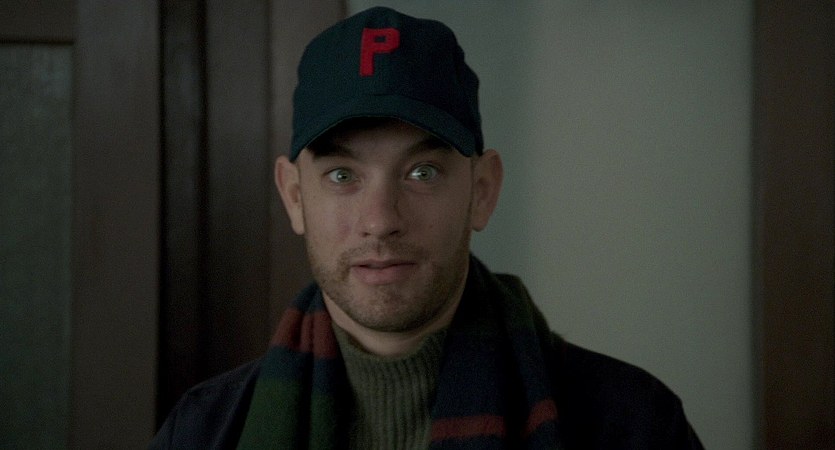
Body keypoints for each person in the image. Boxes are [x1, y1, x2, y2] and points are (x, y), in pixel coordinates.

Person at [151, 6, 704, 449]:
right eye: (342, 175)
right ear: (295, 197)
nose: (380, 220)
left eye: (422, 172)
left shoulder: (631, 426)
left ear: (481, 191)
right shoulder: (203, 433)